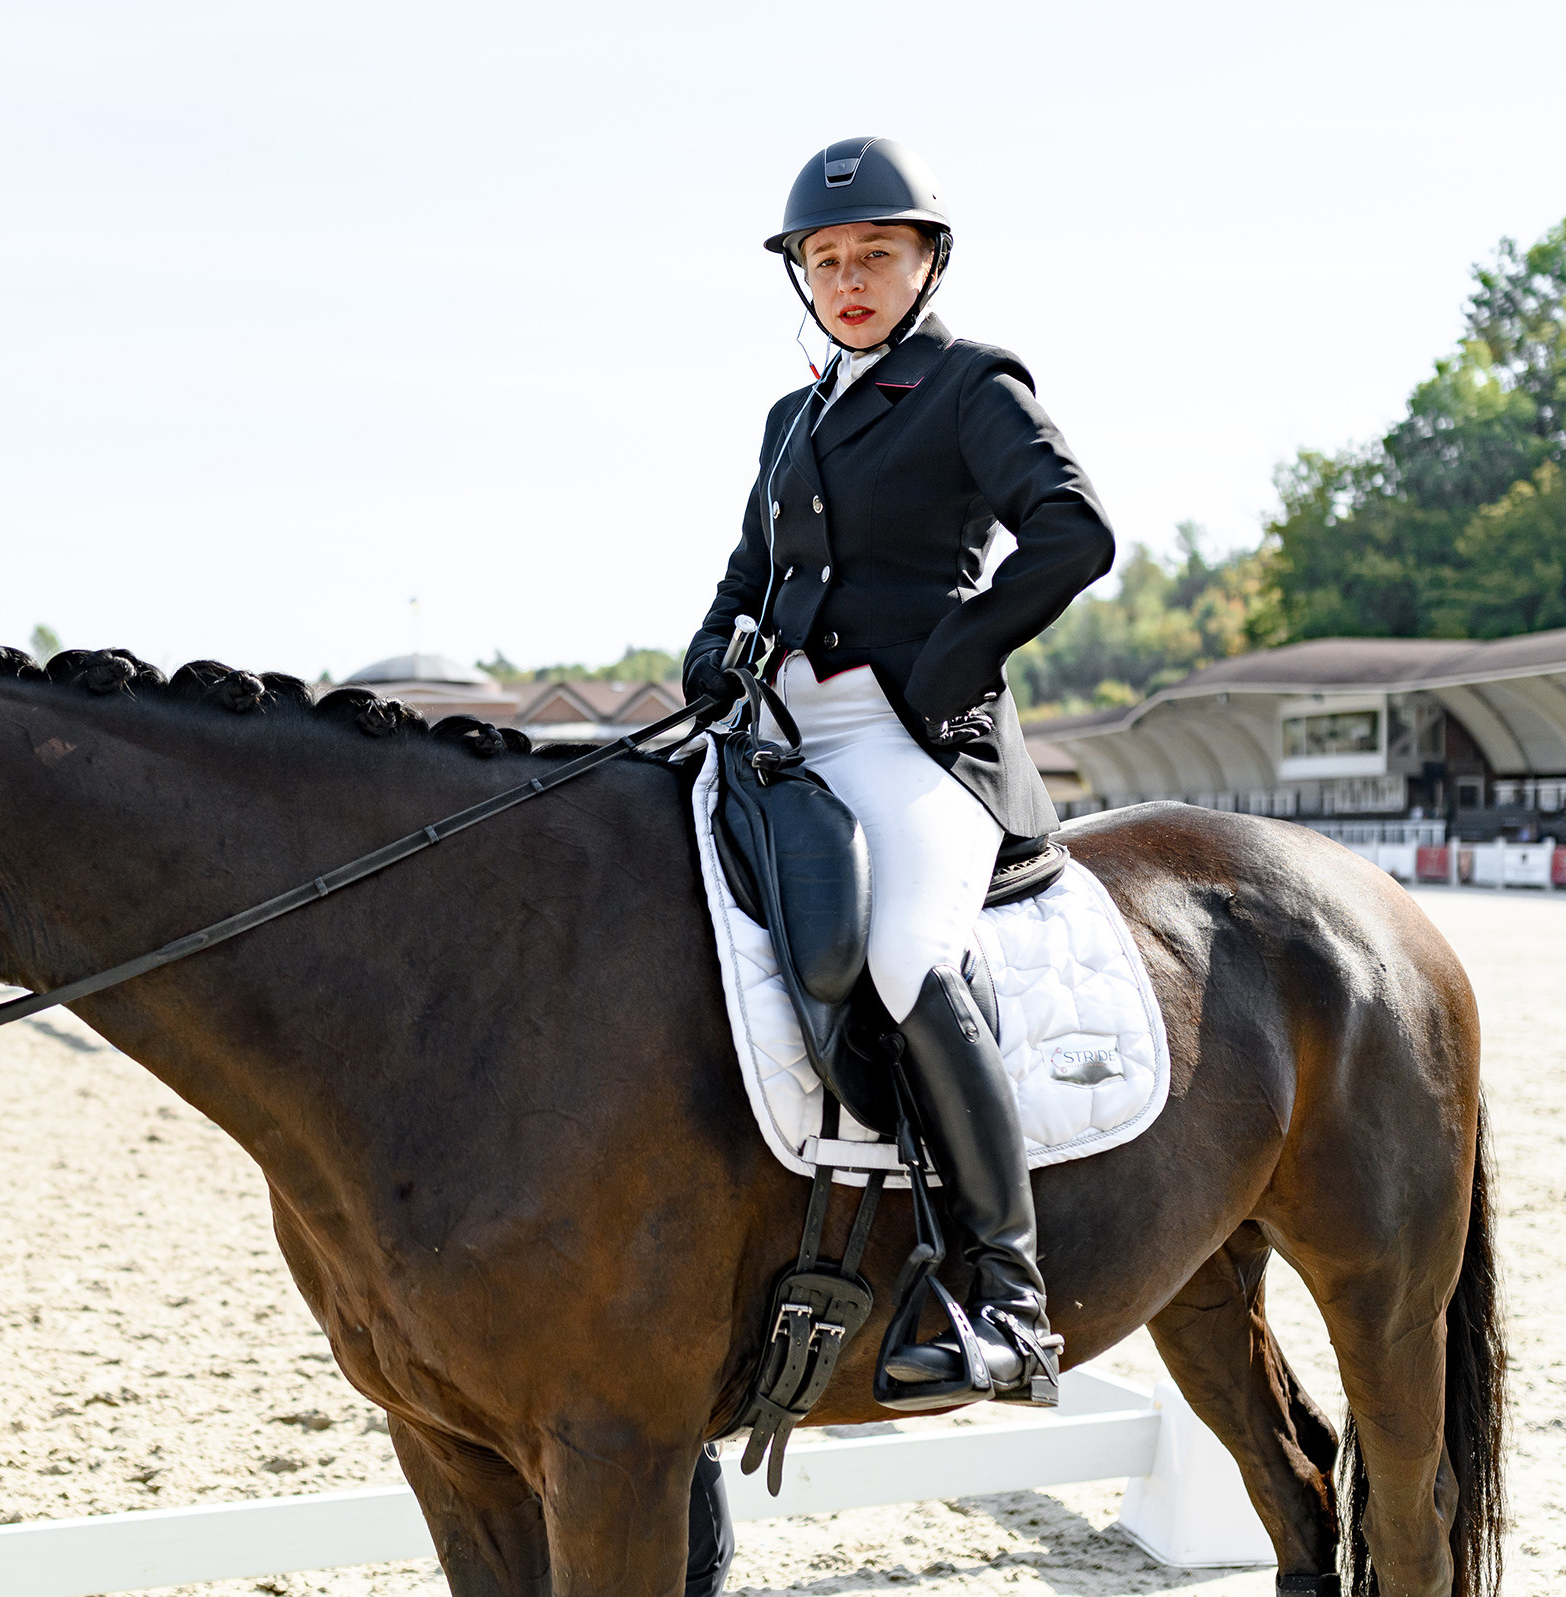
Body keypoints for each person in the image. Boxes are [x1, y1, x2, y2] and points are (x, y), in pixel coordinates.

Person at [684, 138, 1117, 1407]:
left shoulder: (971, 383)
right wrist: (711, 655)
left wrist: (953, 658)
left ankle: (1009, 1297)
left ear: (926, 259)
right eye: (825, 259)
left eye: (875, 253)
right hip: (781, 736)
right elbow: (747, 576)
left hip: (914, 745)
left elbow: (1073, 531)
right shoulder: (794, 414)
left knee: (903, 959)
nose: (849, 277)